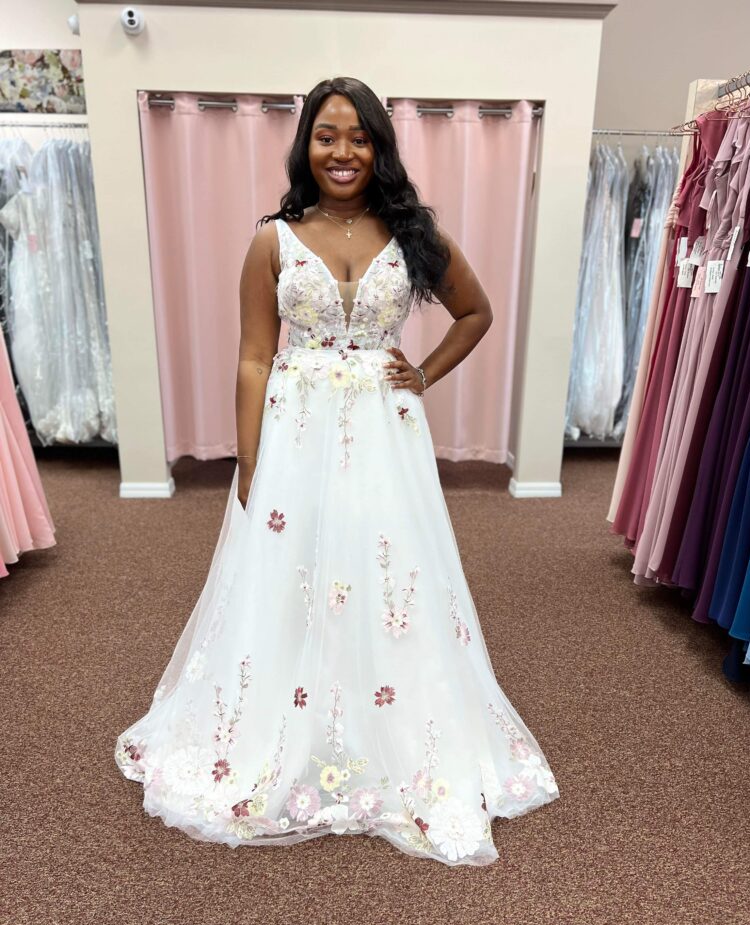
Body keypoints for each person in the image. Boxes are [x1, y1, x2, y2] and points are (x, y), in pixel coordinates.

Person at [115, 76, 558, 866]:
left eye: (359, 137)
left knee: (390, 574)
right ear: (305, 147)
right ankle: (288, 717)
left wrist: (421, 374)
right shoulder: (273, 239)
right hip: (296, 428)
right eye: (327, 136)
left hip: (387, 435)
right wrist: (251, 461)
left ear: (380, 147)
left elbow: (477, 312)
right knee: (294, 570)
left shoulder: (414, 235)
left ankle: (391, 715)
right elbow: (255, 356)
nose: (343, 152)